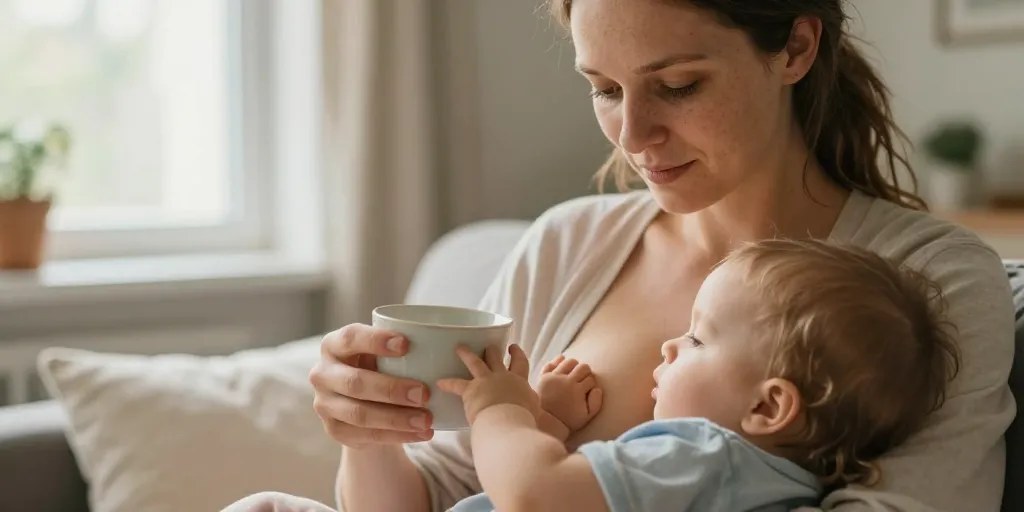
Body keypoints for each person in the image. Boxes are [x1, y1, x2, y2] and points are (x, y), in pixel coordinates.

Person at [224, 0, 1015, 511]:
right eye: (605, 88)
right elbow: (452, 490)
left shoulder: (927, 280)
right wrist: (373, 432)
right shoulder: (567, 244)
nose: (633, 138)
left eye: (677, 86)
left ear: (796, 47)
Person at [442, 239, 962, 512]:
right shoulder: (773, 486)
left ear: (767, 407)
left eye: (697, 338)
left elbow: (537, 498)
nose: (670, 344)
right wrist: (548, 424)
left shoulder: (703, 454)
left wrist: (498, 410)